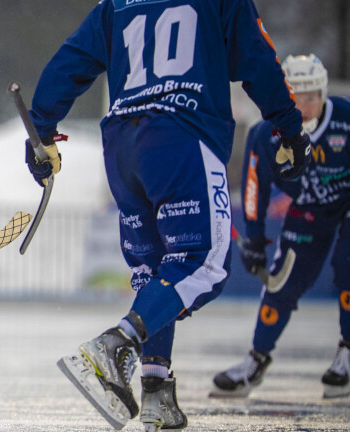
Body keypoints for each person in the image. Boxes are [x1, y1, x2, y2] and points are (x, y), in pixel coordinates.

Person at [26, 1, 313, 430]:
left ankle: (156, 390)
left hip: (123, 146)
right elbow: (257, 58)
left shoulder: (115, 3)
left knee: (155, 272)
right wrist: (289, 128)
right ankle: (117, 344)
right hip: (182, 134)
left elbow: (70, 60)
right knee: (203, 262)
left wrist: (41, 131)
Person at [211, 54, 350, 400]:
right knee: (281, 282)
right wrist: (255, 239)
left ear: (323, 94)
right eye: (295, 97)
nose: (304, 107)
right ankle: (257, 359)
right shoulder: (265, 134)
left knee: (347, 265)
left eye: (311, 97)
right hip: (308, 211)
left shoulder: (345, 118)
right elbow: (254, 187)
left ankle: (347, 350)